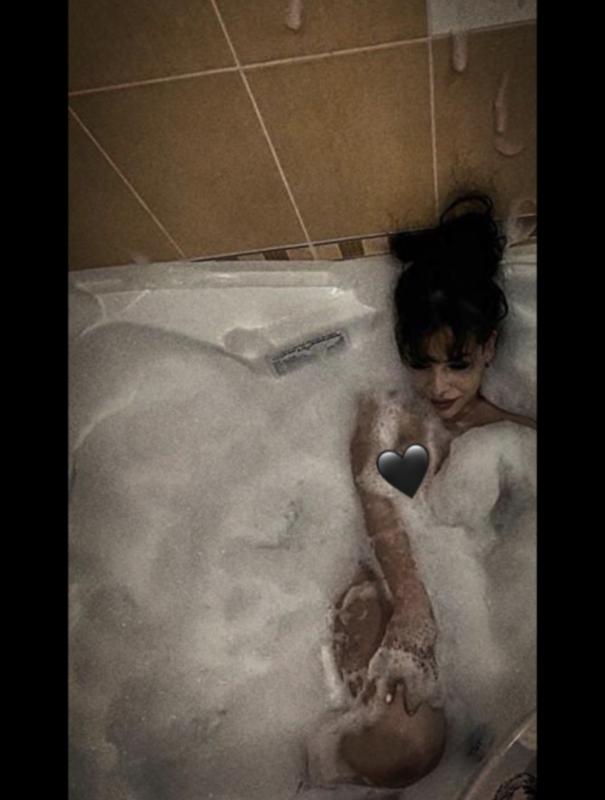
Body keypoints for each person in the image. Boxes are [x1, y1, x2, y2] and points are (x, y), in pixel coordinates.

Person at [305, 193, 536, 792]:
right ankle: (310, 768)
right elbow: (380, 513)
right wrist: (411, 606)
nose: (439, 386)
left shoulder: (511, 436)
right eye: (420, 362)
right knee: (403, 747)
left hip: (469, 604)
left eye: (458, 364)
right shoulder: (387, 414)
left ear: (489, 347)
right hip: (385, 579)